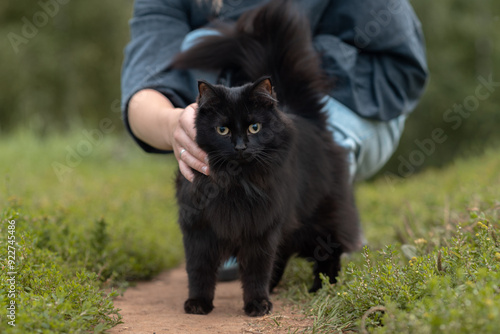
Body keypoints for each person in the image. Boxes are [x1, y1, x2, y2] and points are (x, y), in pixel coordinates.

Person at [121, 0, 428, 280]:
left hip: (362, 99)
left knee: (302, 143)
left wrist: (298, 67)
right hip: (251, 117)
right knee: (200, 46)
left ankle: (327, 215)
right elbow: (145, 88)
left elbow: (403, 69)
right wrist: (172, 123)